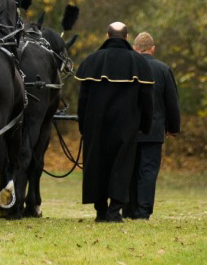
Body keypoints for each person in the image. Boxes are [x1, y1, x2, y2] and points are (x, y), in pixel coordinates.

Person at [74, 22, 154, 222]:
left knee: (97, 165)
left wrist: (83, 126)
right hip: (126, 126)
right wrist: (145, 126)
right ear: (127, 38)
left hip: (95, 125)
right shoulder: (139, 63)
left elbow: (82, 100)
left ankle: (100, 211)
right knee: (122, 165)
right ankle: (114, 211)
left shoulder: (91, 61)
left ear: (107, 36)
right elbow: (147, 100)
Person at [124, 32, 181, 220]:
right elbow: (172, 102)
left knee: (129, 170)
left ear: (134, 48)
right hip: (154, 130)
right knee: (148, 171)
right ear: (152, 49)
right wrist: (173, 127)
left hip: (129, 130)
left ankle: (128, 208)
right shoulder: (163, 70)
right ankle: (143, 211)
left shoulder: (127, 68)